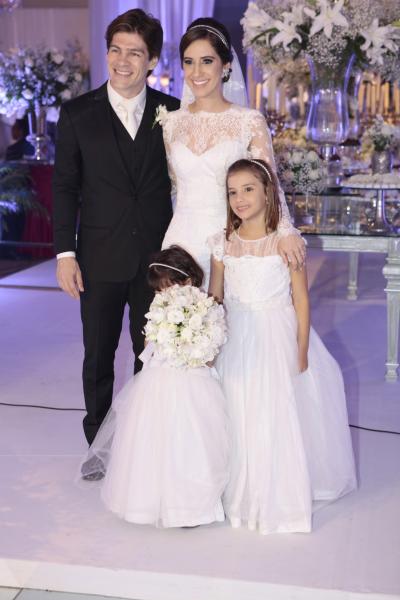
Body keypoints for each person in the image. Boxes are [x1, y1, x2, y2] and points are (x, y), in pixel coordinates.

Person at [53, 9, 180, 457]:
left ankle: (143, 447)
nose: (122, 61)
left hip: (157, 260)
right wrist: (65, 254)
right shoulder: (77, 114)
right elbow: (65, 187)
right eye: (115, 50)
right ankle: (98, 447)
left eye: (135, 53)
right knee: (98, 358)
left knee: (154, 356)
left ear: (152, 60)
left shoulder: (174, 112)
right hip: (99, 256)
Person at [208, 158, 357, 535]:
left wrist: (301, 348)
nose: (240, 198)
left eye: (248, 189)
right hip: (236, 334)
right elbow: (215, 298)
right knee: (236, 405)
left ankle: (276, 491)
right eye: (232, 192)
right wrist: (207, 340)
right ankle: (238, 488)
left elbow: (301, 300)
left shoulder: (285, 242)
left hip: (276, 333)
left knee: (274, 409)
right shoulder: (222, 243)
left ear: (267, 191)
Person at [81, 245, 230, 528]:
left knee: (190, 441)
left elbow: (210, 354)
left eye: (168, 287)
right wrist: (165, 341)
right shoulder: (157, 309)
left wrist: (192, 348)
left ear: (189, 281)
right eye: (159, 290)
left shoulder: (206, 308)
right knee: (154, 441)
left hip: (193, 382)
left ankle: (189, 506)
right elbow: (147, 347)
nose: (164, 294)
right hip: (158, 380)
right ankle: (149, 501)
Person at [159, 17, 305, 287]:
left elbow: (269, 182)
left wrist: (285, 230)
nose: (196, 72)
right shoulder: (171, 124)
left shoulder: (249, 121)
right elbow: (172, 187)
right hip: (179, 242)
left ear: (225, 65)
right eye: (189, 62)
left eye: (207, 61)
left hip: (231, 243)